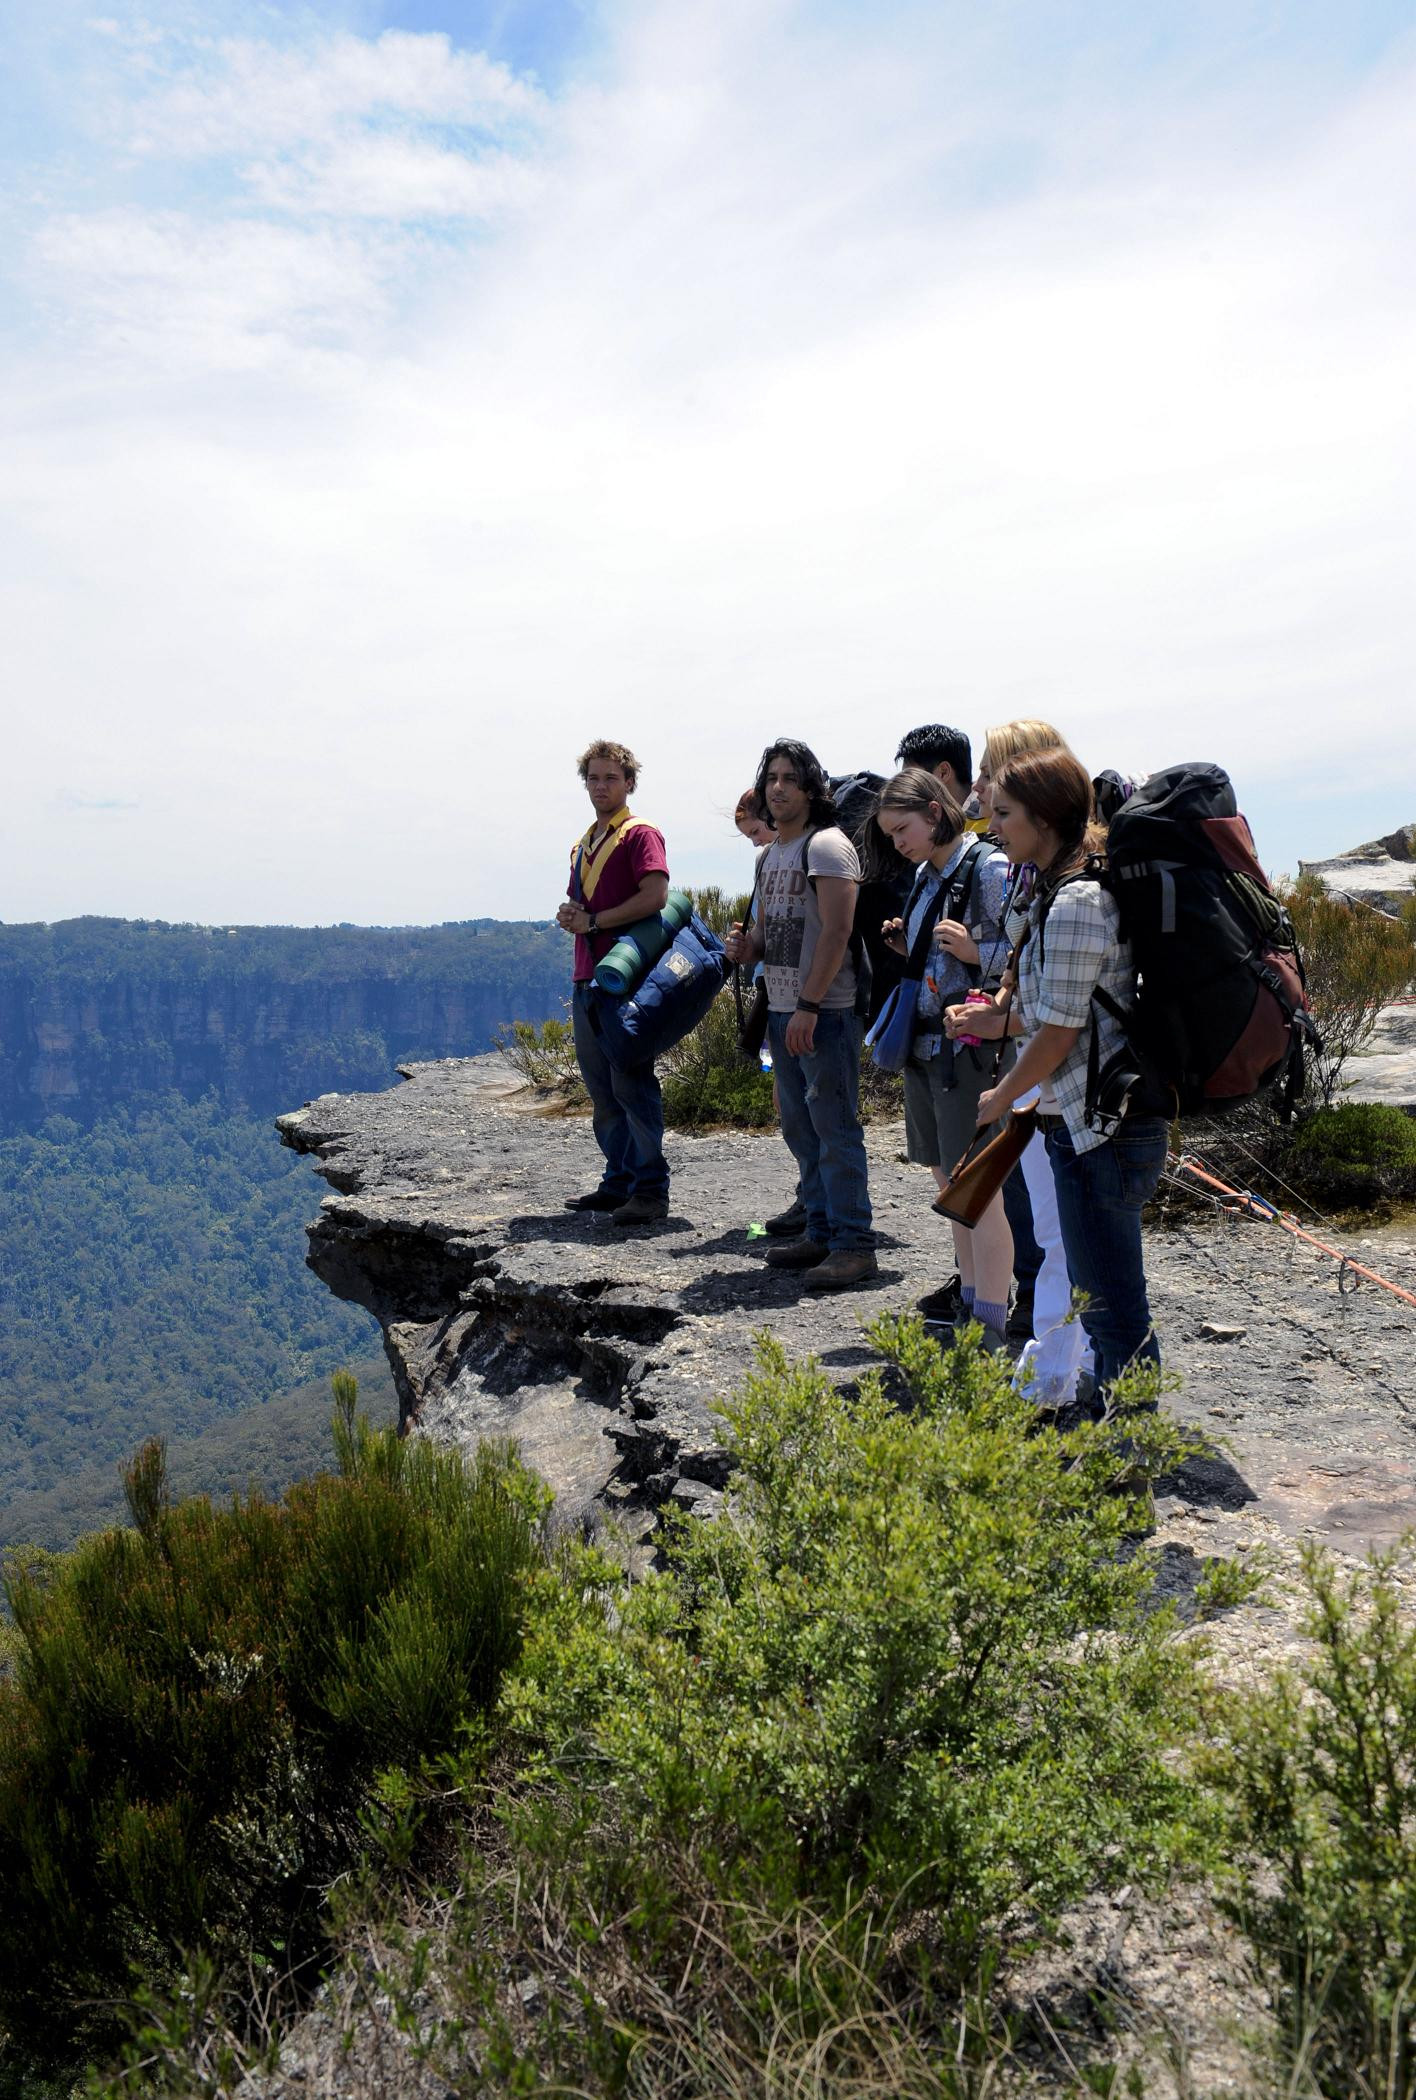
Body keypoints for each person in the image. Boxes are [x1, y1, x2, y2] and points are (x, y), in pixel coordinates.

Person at [947, 747, 1168, 1395]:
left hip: (1105, 1131)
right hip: (1082, 1123)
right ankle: (1107, 1430)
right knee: (1099, 1301)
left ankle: (1127, 1457)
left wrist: (999, 1096)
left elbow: (1061, 1032)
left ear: (1044, 819)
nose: (994, 826)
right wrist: (994, 1021)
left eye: (1006, 813)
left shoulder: (1074, 903)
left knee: (1114, 1312)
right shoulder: (1053, 893)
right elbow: (1053, 1013)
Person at [724, 741, 877, 1291]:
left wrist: (810, 1005)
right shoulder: (769, 855)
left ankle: (853, 1244)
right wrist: (747, 949)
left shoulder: (829, 846)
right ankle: (819, 1229)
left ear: (811, 788)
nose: (778, 787)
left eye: (790, 778)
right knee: (800, 1126)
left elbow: (837, 932)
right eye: (771, 778)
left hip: (824, 1011)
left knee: (834, 1127)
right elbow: (768, 935)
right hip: (784, 1010)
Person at [873, 769, 1013, 1344]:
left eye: (902, 828)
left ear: (935, 812)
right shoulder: (926, 875)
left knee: (977, 1186)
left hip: (967, 1048)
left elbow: (1019, 954)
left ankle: (991, 1317)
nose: (898, 842)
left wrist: (975, 950)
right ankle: (972, 1298)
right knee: (949, 1183)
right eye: (890, 834)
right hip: (927, 1044)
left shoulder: (987, 867)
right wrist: (910, 946)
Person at [556, 740, 672, 1227]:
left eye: (611, 778)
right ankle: (618, 1181)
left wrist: (596, 921)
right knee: (602, 1091)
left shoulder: (640, 836)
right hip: (589, 979)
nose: (601, 786)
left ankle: (649, 1188)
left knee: (632, 1085)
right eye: (594, 778)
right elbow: (581, 907)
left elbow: (656, 896)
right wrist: (572, 917)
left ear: (629, 783)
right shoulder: (585, 842)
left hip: (627, 979)